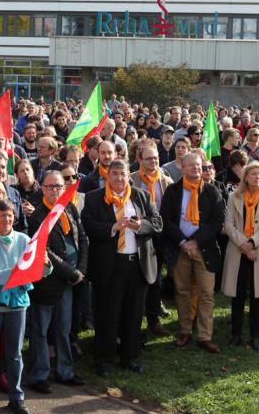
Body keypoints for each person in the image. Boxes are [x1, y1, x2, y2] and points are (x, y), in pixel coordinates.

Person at [82, 159, 162, 375]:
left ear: (129, 175)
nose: (118, 178)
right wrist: (112, 227)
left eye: (122, 174)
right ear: (108, 176)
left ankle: (130, 356)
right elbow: (88, 225)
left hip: (137, 265)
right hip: (110, 265)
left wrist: (140, 226)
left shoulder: (141, 196)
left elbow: (157, 222)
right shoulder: (94, 198)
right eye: (114, 173)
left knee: (134, 313)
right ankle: (104, 359)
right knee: (107, 314)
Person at [0, 200, 52, 414]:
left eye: (10, 215)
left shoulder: (25, 240)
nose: (6, 219)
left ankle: (16, 397)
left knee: (15, 354)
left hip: (18, 304)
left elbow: (38, 274)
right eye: (1, 215)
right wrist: (16, 271)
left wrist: (45, 263)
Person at [26, 171, 88, 393]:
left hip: (69, 282)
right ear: (42, 188)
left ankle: (65, 372)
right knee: (41, 330)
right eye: (50, 187)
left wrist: (81, 269)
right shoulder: (37, 216)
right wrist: (71, 272)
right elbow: (46, 251)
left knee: (63, 329)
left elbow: (82, 237)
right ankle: (38, 375)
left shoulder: (69, 207)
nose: (54, 191)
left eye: (59, 187)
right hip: (47, 283)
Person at [160, 153, 225, 354]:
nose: (197, 169)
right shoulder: (173, 191)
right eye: (192, 166)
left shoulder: (212, 191)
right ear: (183, 168)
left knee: (207, 293)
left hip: (203, 247)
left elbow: (217, 220)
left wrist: (196, 240)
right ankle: (185, 330)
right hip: (180, 248)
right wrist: (183, 242)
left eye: (200, 166)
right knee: (182, 291)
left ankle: (205, 336)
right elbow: (166, 219)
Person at [221, 162, 259, 351]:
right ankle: (235, 334)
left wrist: (252, 243)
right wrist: (244, 245)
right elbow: (228, 225)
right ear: (245, 177)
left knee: (257, 295)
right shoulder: (233, 197)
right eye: (253, 174)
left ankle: (255, 336)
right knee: (237, 295)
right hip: (238, 250)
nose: (257, 177)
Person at [129, 145, 174, 336]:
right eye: (149, 159)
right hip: (137, 236)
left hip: (160, 236)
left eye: (155, 158)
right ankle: (134, 321)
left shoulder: (167, 181)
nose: (153, 162)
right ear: (140, 160)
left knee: (155, 279)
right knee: (138, 280)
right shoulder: (132, 180)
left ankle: (153, 320)